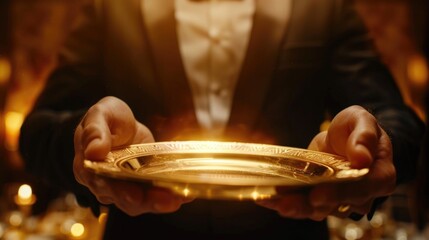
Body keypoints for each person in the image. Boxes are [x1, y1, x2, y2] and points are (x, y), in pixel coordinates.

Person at [19, 0, 424, 239]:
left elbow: (398, 120)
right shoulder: (111, 9)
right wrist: (85, 141)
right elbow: (38, 129)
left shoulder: (322, 8)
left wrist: (377, 143)